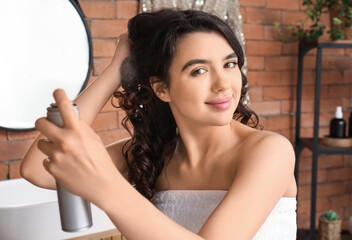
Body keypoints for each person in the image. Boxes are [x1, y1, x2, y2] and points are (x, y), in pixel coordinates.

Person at [21, 9, 297, 239]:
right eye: (199, 70)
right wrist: (116, 69)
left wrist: (106, 188)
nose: (223, 84)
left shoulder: (270, 151)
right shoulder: (154, 154)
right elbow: (37, 170)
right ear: (162, 89)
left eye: (229, 64)